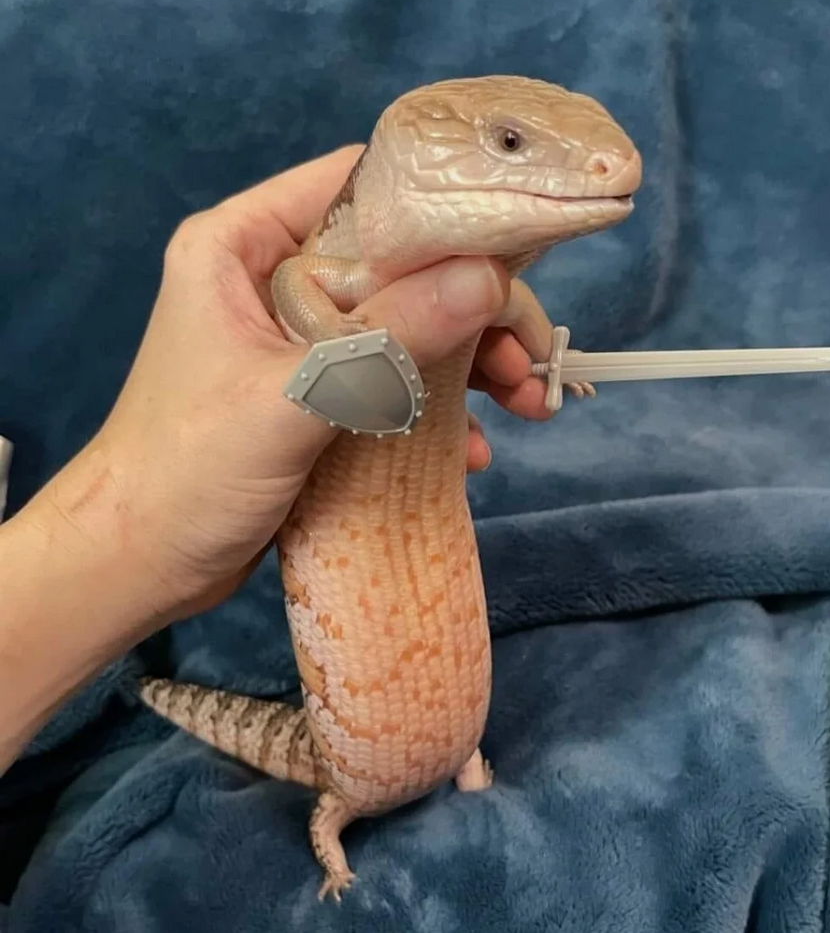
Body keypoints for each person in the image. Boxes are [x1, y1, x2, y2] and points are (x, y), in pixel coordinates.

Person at [0, 144, 554, 775]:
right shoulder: (350, 269)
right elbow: (296, 280)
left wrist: (552, 357)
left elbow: (514, 310)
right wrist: (336, 343)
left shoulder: (472, 281)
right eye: (507, 147)